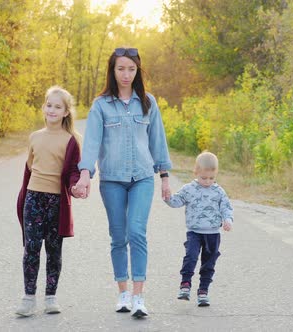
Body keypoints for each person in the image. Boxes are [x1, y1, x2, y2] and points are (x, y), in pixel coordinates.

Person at [73, 47, 172, 318]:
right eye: (121, 69)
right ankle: (123, 293)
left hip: (142, 177)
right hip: (112, 180)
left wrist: (164, 178)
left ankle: (139, 297)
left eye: (131, 69)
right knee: (118, 237)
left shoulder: (148, 102)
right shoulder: (101, 105)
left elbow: (158, 143)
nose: (126, 74)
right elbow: (91, 142)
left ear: (137, 70)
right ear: (112, 71)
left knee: (136, 232)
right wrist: (84, 174)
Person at [14, 86, 82, 316]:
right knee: (31, 248)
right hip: (33, 198)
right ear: (43, 107)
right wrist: (25, 197)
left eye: (58, 106)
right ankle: (28, 298)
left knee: (54, 251)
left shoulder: (71, 140)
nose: (52, 110)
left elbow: (73, 169)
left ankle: (51, 297)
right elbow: (30, 166)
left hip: (56, 202)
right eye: (49, 105)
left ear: (65, 112)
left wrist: (76, 186)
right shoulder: (34, 136)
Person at [163, 151, 233, 307]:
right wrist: (168, 197)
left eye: (211, 178)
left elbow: (226, 207)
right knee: (191, 257)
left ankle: (203, 291)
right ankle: (185, 285)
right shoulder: (189, 189)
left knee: (209, 263)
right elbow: (177, 201)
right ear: (196, 172)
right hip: (194, 232)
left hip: (213, 234)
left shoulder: (218, 191)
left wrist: (227, 220)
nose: (207, 181)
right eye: (203, 178)